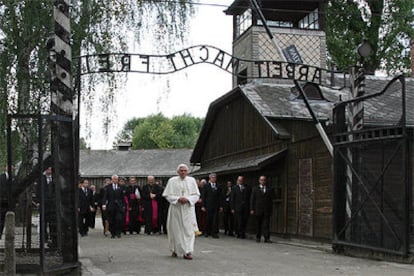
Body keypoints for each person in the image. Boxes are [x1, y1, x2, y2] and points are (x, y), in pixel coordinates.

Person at [162, 164, 200, 260]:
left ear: (187, 172)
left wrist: (187, 199)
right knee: (176, 230)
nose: (183, 172)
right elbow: (167, 195)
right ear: (178, 172)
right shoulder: (172, 181)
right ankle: (175, 249)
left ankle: (188, 251)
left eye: (185, 171)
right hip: (176, 209)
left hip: (188, 209)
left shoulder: (191, 181)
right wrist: (178, 199)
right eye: (181, 170)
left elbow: (196, 195)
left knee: (189, 230)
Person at [35, 166, 57, 247]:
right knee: (43, 221)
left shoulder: (55, 178)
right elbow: (37, 190)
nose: (49, 170)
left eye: (50, 169)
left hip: (53, 204)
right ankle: (44, 237)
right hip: (44, 203)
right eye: (47, 169)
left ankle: (53, 237)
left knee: (53, 222)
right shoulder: (41, 179)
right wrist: (38, 201)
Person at [250, 175, 275, 243]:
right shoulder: (255, 189)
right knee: (258, 224)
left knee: (266, 224)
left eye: (264, 180)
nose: (263, 181)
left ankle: (267, 238)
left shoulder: (269, 189)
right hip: (258, 209)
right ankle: (258, 237)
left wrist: (271, 209)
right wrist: (252, 209)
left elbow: (271, 200)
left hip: (266, 210)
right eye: (261, 180)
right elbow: (252, 199)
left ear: (265, 181)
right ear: (259, 181)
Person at [201, 173, 223, 238]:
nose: (213, 179)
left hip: (216, 205)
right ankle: (207, 232)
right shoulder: (206, 186)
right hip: (208, 205)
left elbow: (220, 196)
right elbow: (203, 196)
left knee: (215, 219)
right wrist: (203, 205)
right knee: (208, 219)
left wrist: (221, 206)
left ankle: (214, 233)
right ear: (210, 179)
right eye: (212, 178)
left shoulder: (218, 186)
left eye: (214, 178)